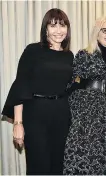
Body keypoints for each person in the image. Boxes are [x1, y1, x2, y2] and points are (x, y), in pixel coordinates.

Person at [1, 8, 73, 175]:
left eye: (62, 26)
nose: (58, 31)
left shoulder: (69, 56)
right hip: (35, 114)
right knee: (38, 166)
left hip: (61, 115)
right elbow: (20, 85)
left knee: (57, 167)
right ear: (45, 29)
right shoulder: (33, 50)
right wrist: (18, 123)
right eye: (53, 26)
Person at [63, 16, 106, 175]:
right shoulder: (84, 54)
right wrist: (77, 115)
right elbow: (72, 84)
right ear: (96, 33)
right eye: (105, 30)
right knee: (85, 155)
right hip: (86, 112)